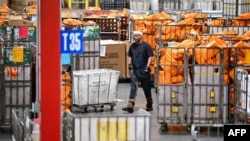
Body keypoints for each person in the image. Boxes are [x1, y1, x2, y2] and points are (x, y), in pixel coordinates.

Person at [122, 31, 154, 113]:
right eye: (134, 36)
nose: (134, 37)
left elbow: (150, 57)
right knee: (133, 87)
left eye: (136, 36)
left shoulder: (146, 46)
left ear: (141, 36)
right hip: (135, 70)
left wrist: (147, 66)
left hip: (144, 71)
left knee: (146, 88)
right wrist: (129, 64)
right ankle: (130, 105)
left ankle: (149, 103)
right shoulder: (132, 46)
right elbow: (130, 56)